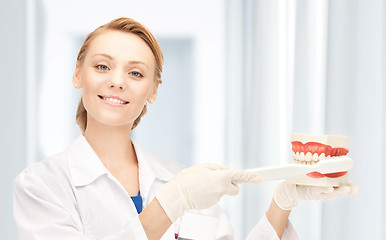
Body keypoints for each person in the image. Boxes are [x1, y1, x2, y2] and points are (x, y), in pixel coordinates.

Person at [13, 17, 357, 240]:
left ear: (153, 91)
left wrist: (281, 204)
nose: (117, 82)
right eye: (102, 66)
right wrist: (172, 203)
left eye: (135, 73)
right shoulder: (41, 185)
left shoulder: (181, 179)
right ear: (78, 75)